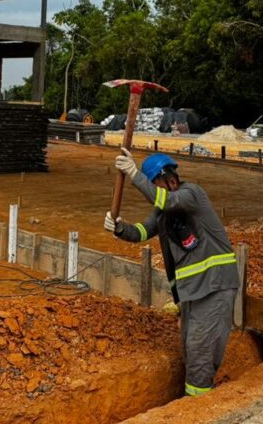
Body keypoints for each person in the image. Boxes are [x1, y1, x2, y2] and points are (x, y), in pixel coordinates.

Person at [104, 150, 238, 397]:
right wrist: (120, 228)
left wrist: (133, 174)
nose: (153, 191)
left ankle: (197, 406)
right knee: (190, 348)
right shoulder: (164, 212)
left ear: (170, 179)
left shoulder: (191, 195)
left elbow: (166, 200)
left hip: (215, 285)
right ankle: (196, 400)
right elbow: (143, 231)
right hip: (193, 292)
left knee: (200, 350)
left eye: (154, 184)